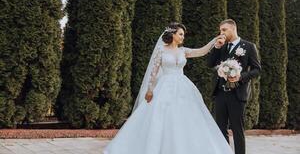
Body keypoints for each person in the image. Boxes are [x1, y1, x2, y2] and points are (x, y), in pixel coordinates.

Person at [103, 22, 233, 154]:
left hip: (183, 87)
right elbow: (154, 72)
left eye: (183, 35)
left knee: (185, 116)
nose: (183, 37)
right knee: (161, 116)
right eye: (181, 34)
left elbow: (201, 51)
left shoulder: (183, 51)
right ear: (173, 34)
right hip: (165, 86)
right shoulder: (161, 50)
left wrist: (214, 41)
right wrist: (149, 90)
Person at [208, 19, 261, 154]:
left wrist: (241, 77)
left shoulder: (248, 46)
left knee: (237, 129)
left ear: (233, 28)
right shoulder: (222, 46)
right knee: (220, 128)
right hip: (220, 93)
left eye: (224, 30)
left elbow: (257, 69)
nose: (222, 33)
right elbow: (210, 64)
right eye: (220, 30)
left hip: (237, 93)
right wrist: (217, 48)